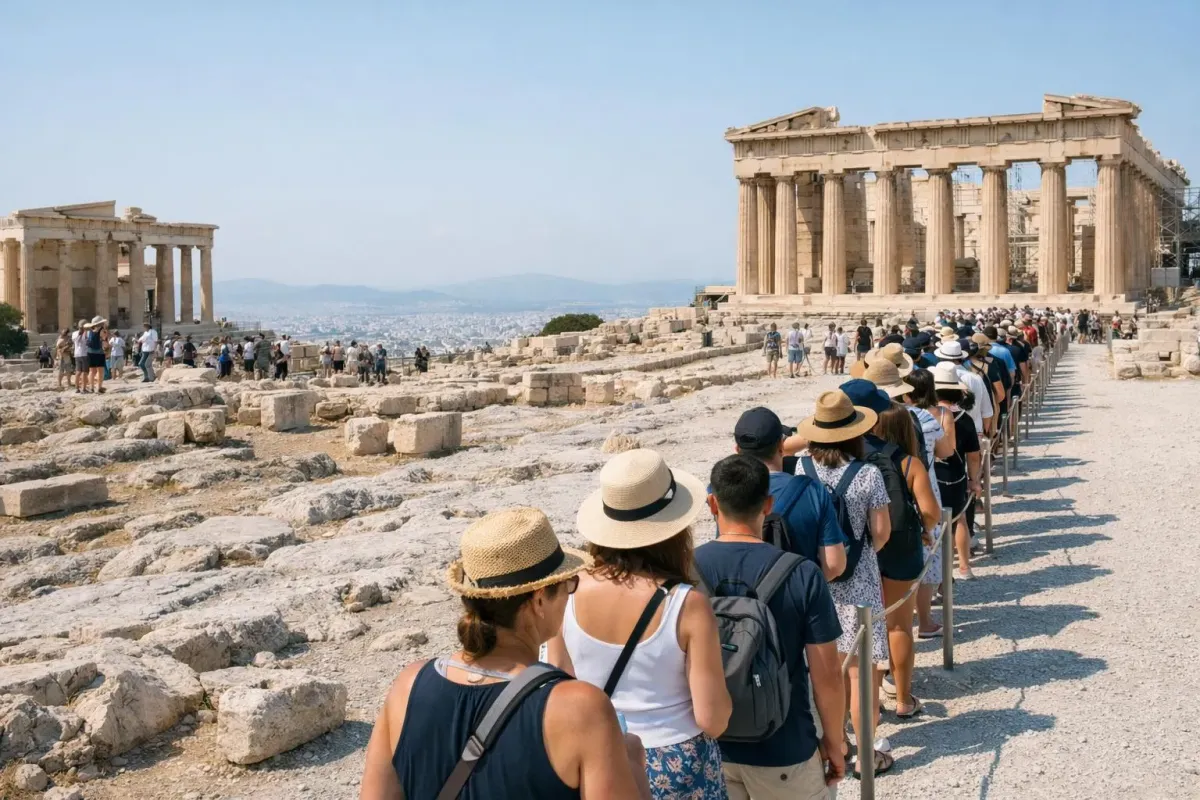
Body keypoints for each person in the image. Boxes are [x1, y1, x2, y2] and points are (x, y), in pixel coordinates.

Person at [359, 507, 653, 800]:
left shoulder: (408, 685)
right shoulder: (580, 708)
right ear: (539, 599)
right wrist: (634, 766)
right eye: (568, 583)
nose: (570, 593)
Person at [548, 449, 731, 798]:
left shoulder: (567, 589)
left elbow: (558, 673)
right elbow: (712, 718)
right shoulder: (686, 604)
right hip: (678, 759)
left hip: (597, 752)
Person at [696, 454, 846, 799]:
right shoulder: (803, 573)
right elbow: (827, 676)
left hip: (711, 749)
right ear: (768, 504)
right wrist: (834, 743)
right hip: (785, 748)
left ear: (712, 504)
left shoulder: (685, 572)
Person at [794, 390, 892, 777]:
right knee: (862, 672)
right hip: (860, 581)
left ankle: (835, 743)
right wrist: (863, 550)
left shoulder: (802, 470)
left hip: (817, 579)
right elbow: (881, 531)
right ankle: (865, 754)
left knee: (829, 673)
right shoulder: (868, 473)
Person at [862, 392, 941, 720]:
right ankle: (904, 699)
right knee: (898, 626)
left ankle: (868, 705)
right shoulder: (909, 463)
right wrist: (924, 527)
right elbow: (931, 511)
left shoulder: (860, 460)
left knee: (869, 627)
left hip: (867, 548)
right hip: (901, 547)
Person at [731, 407, 846, 580]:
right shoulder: (813, 491)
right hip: (800, 599)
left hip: (745, 602)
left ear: (737, 449)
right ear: (780, 445)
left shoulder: (722, 491)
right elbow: (834, 565)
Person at [900, 367, 955, 639]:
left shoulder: (885, 416)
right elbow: (946, 452)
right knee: (926, 556)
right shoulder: (928, 418)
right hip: (924, 485)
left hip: (893, 486)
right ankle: (924, 620)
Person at [931, 363, 981, 580]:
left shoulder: (926, 415)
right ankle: (963, 566)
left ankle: (939, 573)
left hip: (933, 472)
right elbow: (973, 455)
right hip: (955, 474)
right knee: (958, 518)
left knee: (933, 522)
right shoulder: (965, 419)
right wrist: (974, 479)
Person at [85, 317, 107, 393]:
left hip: (90, 352)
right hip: (99, 352)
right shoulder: (101, 330)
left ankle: (91, 387)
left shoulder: (89, 331)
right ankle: (99, 387)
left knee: (92, 371)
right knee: (100, 371)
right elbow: (103, 338)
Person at [72, 320, 90, 393]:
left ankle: (77, 388)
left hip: (77, 354)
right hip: (84, 354)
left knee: (78, 371)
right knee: (84, 372)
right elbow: (88, 341)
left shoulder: (74, 333)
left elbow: (74, 340)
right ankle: (84, 388)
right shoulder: (87, 333)